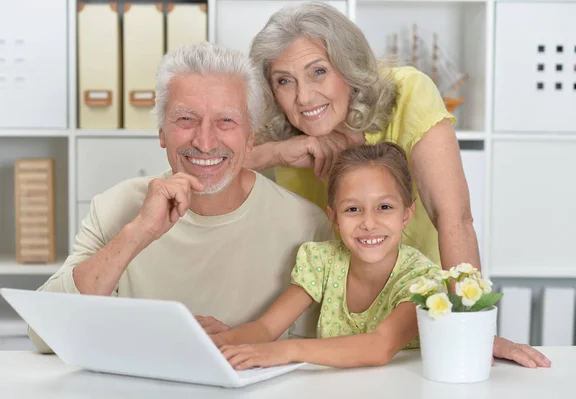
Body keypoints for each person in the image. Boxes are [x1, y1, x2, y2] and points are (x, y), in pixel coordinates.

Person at [28, 42, 332, 353]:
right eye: (186, 119)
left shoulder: (305, 225)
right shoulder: (114, 207)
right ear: (162, 132)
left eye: (226, 121)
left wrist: (239, 342)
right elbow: (43, 334)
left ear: (251, 137)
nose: (204, 142)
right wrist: (139, 231)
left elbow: (319, 347)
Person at [211, 144, 551, 370]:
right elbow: (266, 327)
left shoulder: (423, 279)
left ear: (406, 214)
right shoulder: (322, 262)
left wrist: (283, 352)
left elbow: (379, 346)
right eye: (353, 209)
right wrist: (213, 345)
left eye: (384, 207)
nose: (368, 222)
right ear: (334, 217)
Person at [244, 1, 476, 274]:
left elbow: (453, 217)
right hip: (336, 307)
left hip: (422, 298)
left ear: (349, 67)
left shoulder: (409, 93)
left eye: (318, 72)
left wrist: (464, 312)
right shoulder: (280, 130)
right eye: (284, 80)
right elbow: (207, 175)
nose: (303, 97)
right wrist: (275, 153)